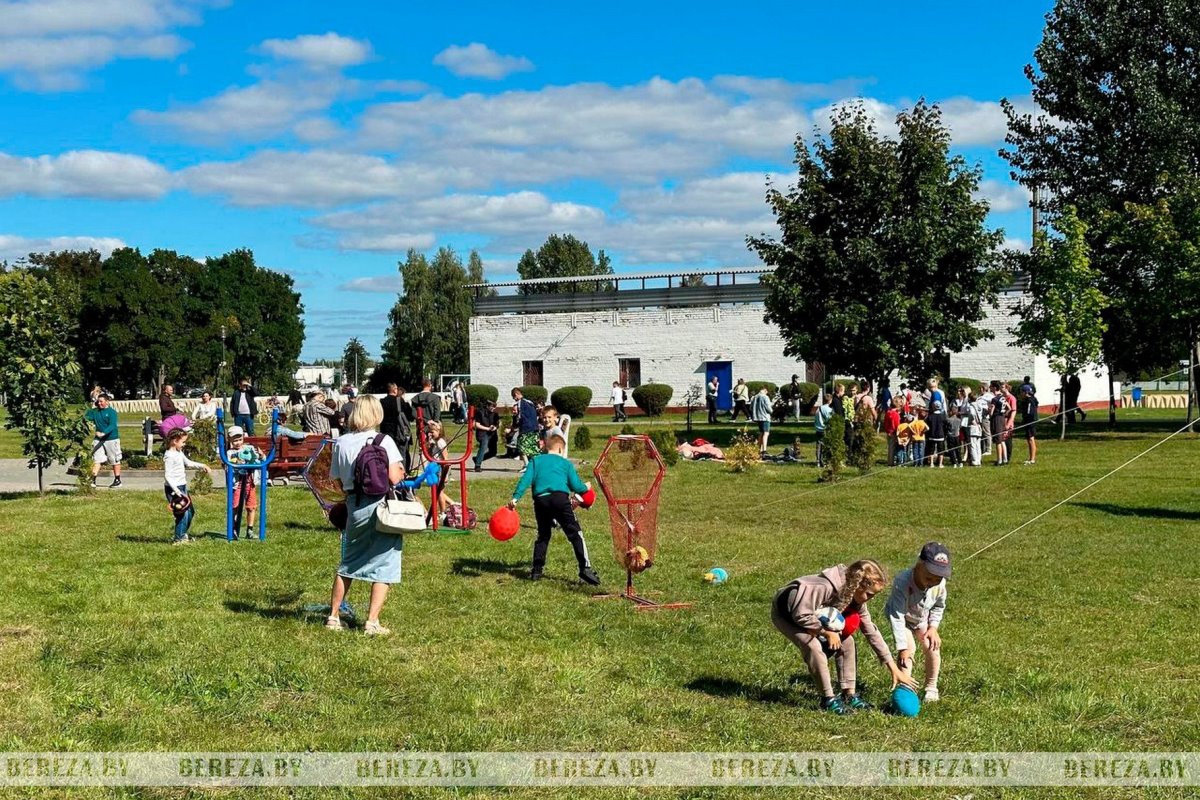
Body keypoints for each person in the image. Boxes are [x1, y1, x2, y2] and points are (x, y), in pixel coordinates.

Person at [772, 560, 917, 715]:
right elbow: (801, 614)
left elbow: (871, 632)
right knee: (813, 647)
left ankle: (849, 694)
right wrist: (825, 633)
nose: (870, 598)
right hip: (788, 614)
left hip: (814, 615)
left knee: (847, 642)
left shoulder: (856, 596)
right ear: (858, 585)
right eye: (869, 594)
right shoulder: (824, 587)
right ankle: (828, 699)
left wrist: (893, 669)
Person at [326, 395, 406, 636]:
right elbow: (395, 477)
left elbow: (337, 479)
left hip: (354, 504)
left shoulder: (341, 443)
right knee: (386, 561)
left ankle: (333, 616)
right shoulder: (384, 440)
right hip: (381, 505)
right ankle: (372, 621)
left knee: (348, 562)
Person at [507, 426, 600, 585]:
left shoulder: (536, 460)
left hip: (541, 501)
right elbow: (576, 486)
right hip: (559, 499)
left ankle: (536, 570)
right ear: (559, 449)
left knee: (543, 535)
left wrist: (515, 498)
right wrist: (587, 488)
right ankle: (585, 568)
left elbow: (525, 480)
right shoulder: (565, 463)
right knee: (575, 533)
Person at [885, 543, 950, 704]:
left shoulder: (939, 585)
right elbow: (897, 616)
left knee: (932, 646)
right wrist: (902, 647)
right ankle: (905, 687)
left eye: (938, 578)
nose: (933, 582)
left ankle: (931, 687)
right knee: (909, 649)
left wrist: (933, 628)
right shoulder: (903, 582)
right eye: (929, 577)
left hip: (922, 619)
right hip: (904, 619)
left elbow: (938, 606)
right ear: (919, 565)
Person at [162, 428, 211, 545]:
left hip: (182, 486)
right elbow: (167, 476)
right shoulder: (169, 456)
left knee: (191, 511)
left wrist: (202, 465)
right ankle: (178, 539)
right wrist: (178, 492)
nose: (184, 444)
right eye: (183, 442)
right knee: (182, 513)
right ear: (174, 441)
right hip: (174, 489)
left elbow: (188, 463)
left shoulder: (178, 452)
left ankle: (183, 534)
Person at [225, 426, 262, 537]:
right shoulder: (229, 452)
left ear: (243, 438)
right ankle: (233, 528)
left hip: (250, 482)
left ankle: (249, 530)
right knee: (235, 506)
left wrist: (261, 456)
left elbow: (257, 460)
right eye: (235, 440)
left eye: (240, 439)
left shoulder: (249, 448)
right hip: (237, 483)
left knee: (252, 506)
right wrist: (237, 463)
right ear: (230, 440)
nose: (238, 442)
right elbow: (229, 466)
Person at [85, 394, 122, 488]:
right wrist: (92, 407)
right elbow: (86, 417)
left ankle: (117, 480)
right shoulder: (95, 412)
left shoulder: (111, 412)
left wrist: (103, 433)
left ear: (107, 402)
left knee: (114, 459)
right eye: (98, 401)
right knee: (97, 459)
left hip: (111, 439)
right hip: (98, 440)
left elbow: (112, 425)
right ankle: (92, 480)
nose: (100, 403)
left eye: (101, 401)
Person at [380, 383, 412, 470]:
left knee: (387, 454)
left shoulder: (381, 402)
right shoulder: (399, 401)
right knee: (401, 454)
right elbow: (410, 416)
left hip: (385, 432)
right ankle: (402, 473)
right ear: (394, 390)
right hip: (398, 432)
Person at [512, 387, 540, 470]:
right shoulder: (530, 402)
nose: (514, 399)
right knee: (533, 448)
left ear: (516, 394)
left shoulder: (520, 403)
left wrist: (516, 423)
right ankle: (537, 465)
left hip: (526, 428)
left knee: (521, 447)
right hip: (534, 428)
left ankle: (526, 465)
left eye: (514, 397)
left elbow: (520, 417)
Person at [473, 399, 499, 473]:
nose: (493, 408)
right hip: (482, 433)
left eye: (495, 407)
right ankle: (477, 465)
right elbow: (477, 425)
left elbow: (497, 424)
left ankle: (477, 459)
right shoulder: (480, 412)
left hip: (492, 434)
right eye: (492, 406)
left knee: (493, 452)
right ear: (487, 406)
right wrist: (487, 428)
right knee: (483, 446)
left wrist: (495, 427)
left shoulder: (496, 414)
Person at [989, 381, 1010, 466]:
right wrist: (1004, 414)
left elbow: (991, 412)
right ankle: (1005, 459)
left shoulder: (994, 399)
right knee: (1002, 440)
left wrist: (988, 410)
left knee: (998, 440)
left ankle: (999, 460)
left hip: (996, 419)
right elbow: (1009, 408)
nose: (990, 388)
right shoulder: (1003, 397)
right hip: (1002, 418)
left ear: (994, 388)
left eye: (991, 387)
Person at [750, 384, 772, 456]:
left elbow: (751, 407)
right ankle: (764, 450)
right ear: (765, 390)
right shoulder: (765, 397)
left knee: (761, 432)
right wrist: (772, 411)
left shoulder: (755, 397)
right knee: (766, 433)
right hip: (765, 417)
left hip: (758, 417)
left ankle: (759, 449)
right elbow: (768, 408)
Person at [814, 393, 834, 467]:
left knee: (819, 446)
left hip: (818, 429)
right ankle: (824, 461)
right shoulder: (829, 409)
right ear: (830, 400)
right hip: (825, 429)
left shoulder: (818, 408)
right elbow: (830, 420)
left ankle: (818, 461)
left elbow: (815, 419)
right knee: (826, 446)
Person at [1021, 385, 1039, 465]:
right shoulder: (1032, 399)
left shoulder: (1029, 400)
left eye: (1022, 392)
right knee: (1029, 439)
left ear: (1026, 392)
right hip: (1029, 421)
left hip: (1030, 422)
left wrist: (1027, 420)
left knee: (1031, 439)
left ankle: (1032, 459)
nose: (1021, 394)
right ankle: (1031, 458)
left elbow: (1029, 412)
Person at [926, 401, 947, 468]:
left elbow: (927, 426)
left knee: (931, 450)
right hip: (941, 435)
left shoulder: (930, 417)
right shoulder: (943, 417)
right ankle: (940, 464)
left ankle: (931, 463)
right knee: (941, 450)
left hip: (932, 435)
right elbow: (945, 426)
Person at [881, 396, 901, 466]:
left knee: (890, 447)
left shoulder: (888, 413)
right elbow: (897, 424)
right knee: (893, 448)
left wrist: (887, 430)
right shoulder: (895, 414)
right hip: (893, 432)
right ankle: (891, 462)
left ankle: (890, 461)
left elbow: (885, 423)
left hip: (888, 432)